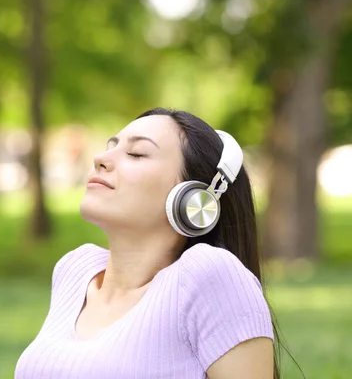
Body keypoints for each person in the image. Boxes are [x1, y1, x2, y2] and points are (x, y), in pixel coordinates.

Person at [14, 108, 283, 379]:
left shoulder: (208, 275)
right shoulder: (75, 270)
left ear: (195, 200)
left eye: (136, 154)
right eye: (111, 146)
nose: (100, 159)